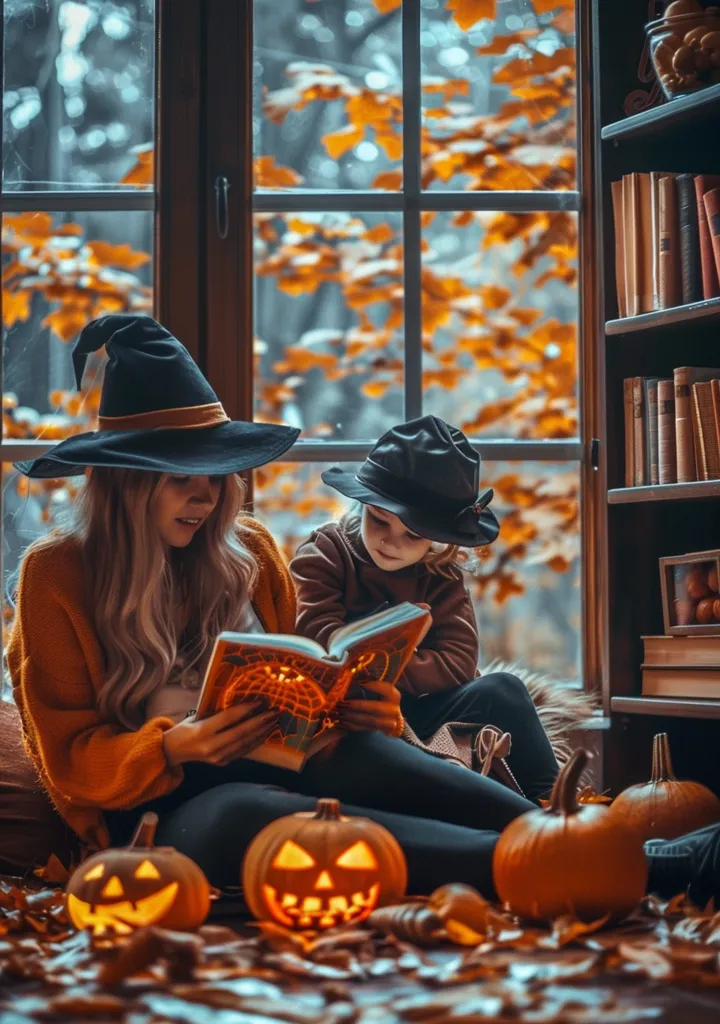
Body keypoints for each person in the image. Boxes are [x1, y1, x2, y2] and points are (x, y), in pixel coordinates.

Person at [8, 315, 720, 907]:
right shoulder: (58, 573)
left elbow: (299, 681)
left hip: (289, 760)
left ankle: (608, 853)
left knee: (363, 751)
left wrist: (362, 708)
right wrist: (176, 745)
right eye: (180, 481)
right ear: (126, 483)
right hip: (162, 805)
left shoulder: (247, 550)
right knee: (249, 818)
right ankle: (632, 870)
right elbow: (66, 753)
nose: (208, 498)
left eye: (218, 477)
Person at [289, 415, 560, 803]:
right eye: (378, 519)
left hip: (424, 710)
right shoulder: (326, 553)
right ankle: (522, 818)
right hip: (349, 712)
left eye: (413, 534)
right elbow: (316, 637)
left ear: (438, 539)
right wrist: (403, 666)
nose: (389, 541)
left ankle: (557, 805)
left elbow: (459, 662)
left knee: (504, 689)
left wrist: (388, 668)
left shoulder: (440, 574)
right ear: (362, 504)